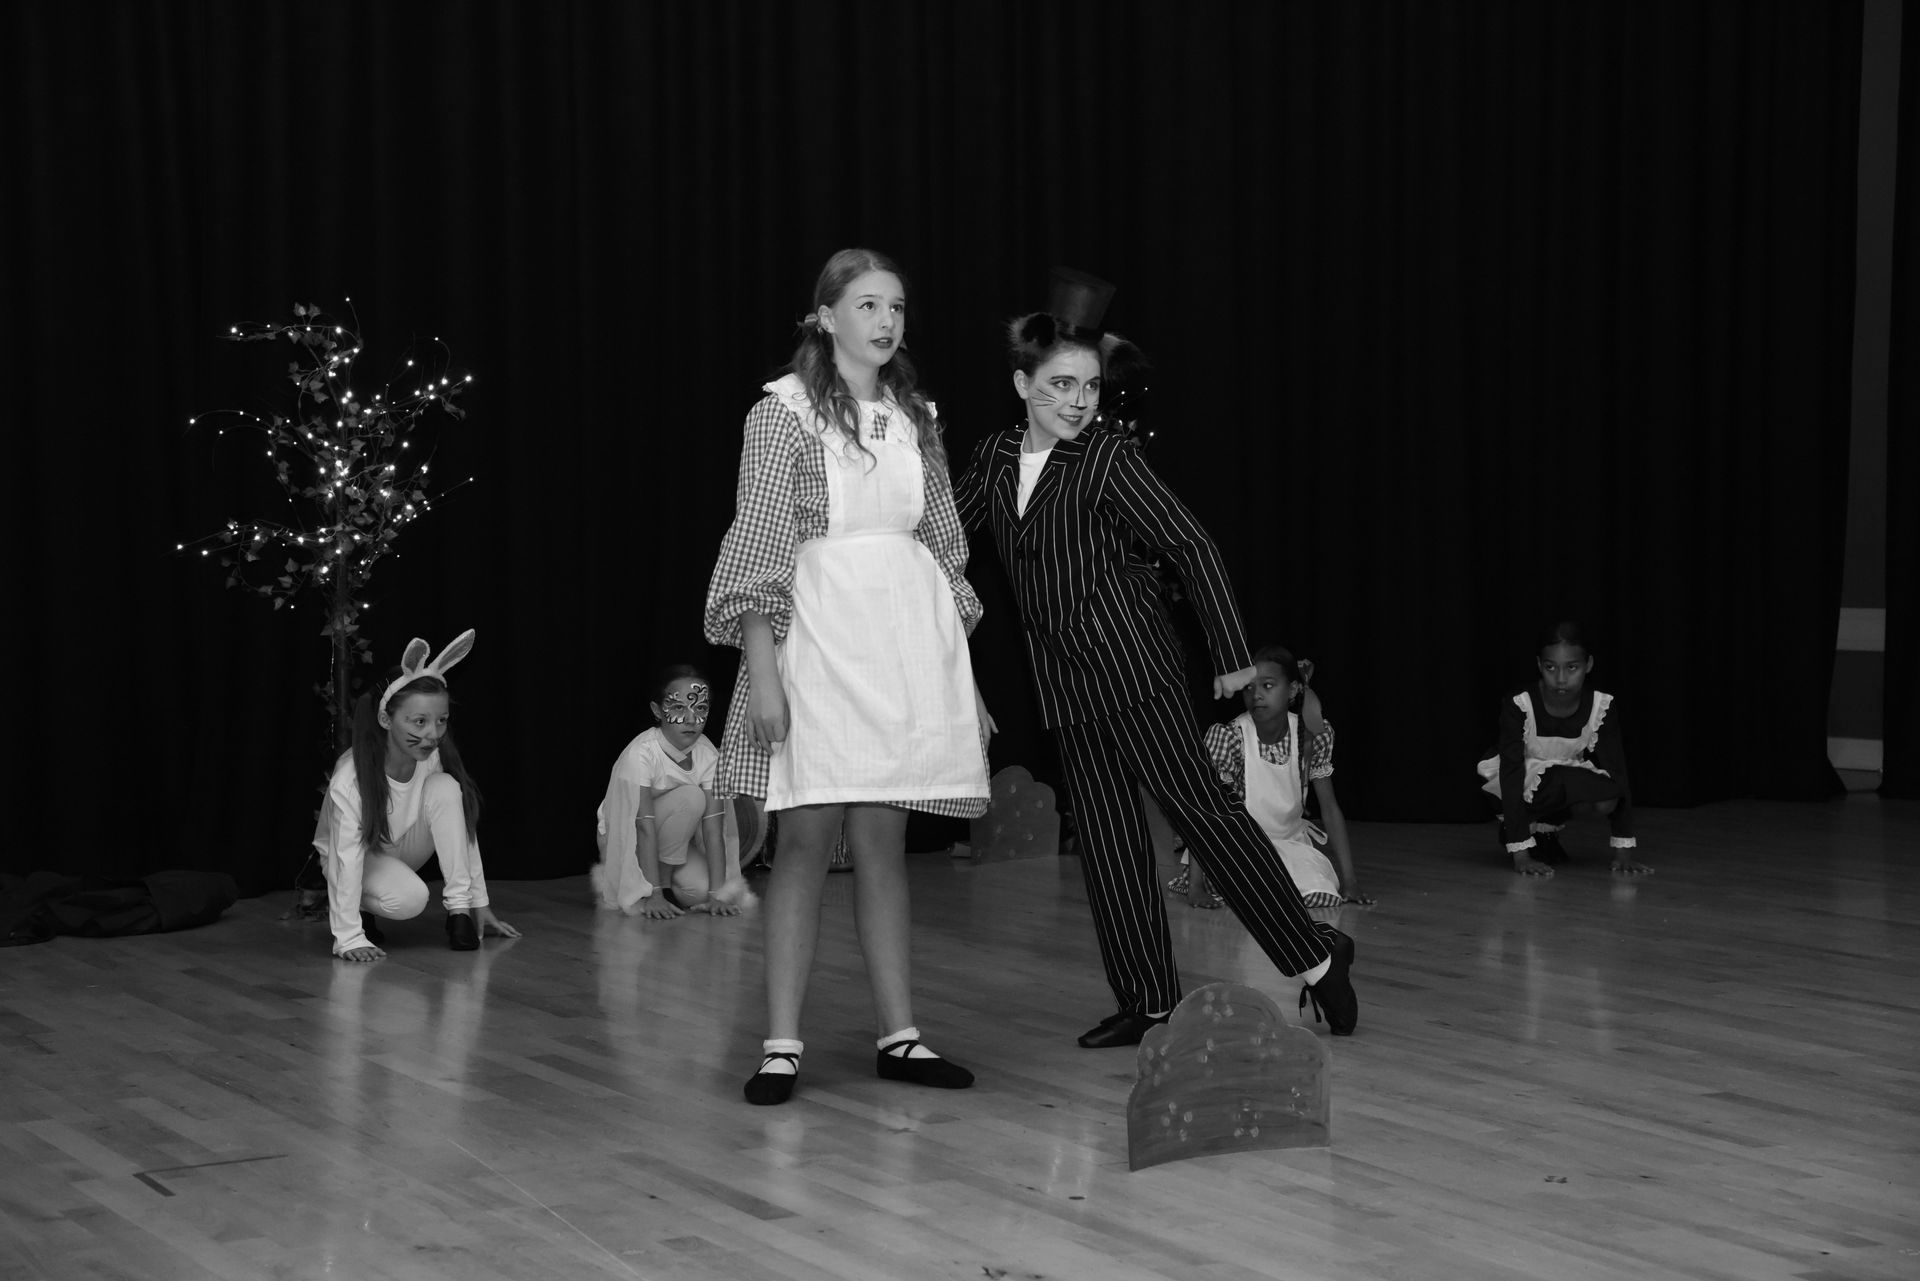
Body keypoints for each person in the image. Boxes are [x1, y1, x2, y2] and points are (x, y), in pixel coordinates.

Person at [951, 307, 1359, 1045]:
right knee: (1107, 839)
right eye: (1061, 384)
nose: (1079, 400)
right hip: (1065, 684)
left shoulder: (1106, 455)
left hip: (1136, 668)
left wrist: (1233, 656)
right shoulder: (993, 456)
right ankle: (1149, 999)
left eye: (1090, 386)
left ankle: (1316, 955)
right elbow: (946, 538)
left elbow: (1192, 545)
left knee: (1206, 818)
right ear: (1022, 383)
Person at [705, 247, 991, 1105]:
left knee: (882, 840)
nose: (886, 321)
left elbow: (944, 546)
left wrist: (963, 682)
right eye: (867, 305)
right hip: (823, 634)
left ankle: (899, 1035)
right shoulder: (784, 415)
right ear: (826, 317)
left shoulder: (915, 414)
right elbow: (758, 547)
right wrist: (764, 676)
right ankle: (781, 1043)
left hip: (908, 639)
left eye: (896, 306)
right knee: (805, 834)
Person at [314, 631, 520, 961]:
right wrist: (349, 936)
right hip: (354, 856)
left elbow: (461, 829)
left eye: (441, 721)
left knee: (447, 789)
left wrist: (477, 901)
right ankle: (360, 912)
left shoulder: (431, 760)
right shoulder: (351, 777)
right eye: (419, 722)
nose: (432, 734)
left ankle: (460, 914)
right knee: (410, 899)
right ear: (386, 719)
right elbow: (346, 859)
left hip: (401, 844)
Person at [1186, 648, 1372, 923]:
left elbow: (1330, 809)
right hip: (1239, 846)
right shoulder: (1231, 738)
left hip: (1290, 845)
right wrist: (1196, 885)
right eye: (1249, 688)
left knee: (1317, 889)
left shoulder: (1309, 736)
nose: (1257, 695)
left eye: (1268, 686)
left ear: (1293, 689)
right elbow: (1208, 811)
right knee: (1255, 888)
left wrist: (1349, 880)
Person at [1477, 620, 1649, 878]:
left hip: (1562, 778)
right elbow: (1511, 775)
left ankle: (1545, 830)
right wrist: (1520, 856)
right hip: (1518, 779)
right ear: (1539, 665)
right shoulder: (1520, 704)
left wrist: (1623, 852)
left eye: (1572, 667)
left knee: (1608, 795)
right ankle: (1520, 833)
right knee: (1557, 782)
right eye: (1550, 667)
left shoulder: (1601, 705)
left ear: (1588, 665)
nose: (1560, 678)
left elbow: (1617, 769)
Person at [592, 664, 752, 920]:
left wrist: (716, 895)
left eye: (700, 708)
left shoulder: (708, 755)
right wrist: (654, 893)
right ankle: (658, 887)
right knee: (691, 797)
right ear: (657, 710)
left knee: (699, 893)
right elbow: (642, 827)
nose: (691, 720)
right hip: (628, 839)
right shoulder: (642, 754)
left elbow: (713, 830)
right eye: (678, 708)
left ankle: (662, 883)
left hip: (672, 845)